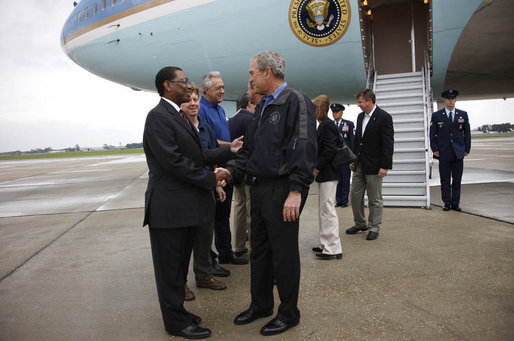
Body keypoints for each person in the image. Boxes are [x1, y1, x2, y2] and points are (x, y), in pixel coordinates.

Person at [227, 51, 317, 336]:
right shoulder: (263, 105)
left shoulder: (296, 101)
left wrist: (296, 190)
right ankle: (261, 304)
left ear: (268, 72)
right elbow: (252, 151)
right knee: (260, 251)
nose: (250, 78)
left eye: (252, 72)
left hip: (283, 190)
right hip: (259, 187)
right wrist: (230, 172)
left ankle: (289, 312)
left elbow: (303, 146)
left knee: (284, 255)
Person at [143, 66, 231, 339]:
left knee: (179, 268)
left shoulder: (178, 115)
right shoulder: (158, 117)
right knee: (170, 272)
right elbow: (173, 162)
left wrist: (227, 154)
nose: (187, 85)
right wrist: (210, 181)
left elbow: (196, 154)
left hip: (183, 210)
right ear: (168, 86)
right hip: (168, 210)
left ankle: (179, 313)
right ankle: (176, 323)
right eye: (183, 82)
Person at [180, 83, 243, 300]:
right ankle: (180, 284)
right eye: (188, 100)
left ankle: (204, 275)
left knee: (205, 236)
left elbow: (207, 156)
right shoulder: (178, 125)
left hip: (206, 186)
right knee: (185, 240)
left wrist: (216, 181)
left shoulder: (205, 127)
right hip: (187, 190)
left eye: (196, 99)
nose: (193, 103)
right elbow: (185, 162)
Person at [198, 71, 248, 266]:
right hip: (214, 167)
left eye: (223, 87)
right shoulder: (201, 109)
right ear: (206, 89)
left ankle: (226, 253)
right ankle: (210, 260)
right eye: (218, 88)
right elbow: (208, 142)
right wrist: (230, 146)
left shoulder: (219, 109)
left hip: (226, 165)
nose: (222, 91)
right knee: (213, 216)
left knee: (223, 214)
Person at [346, 89, 394, 241]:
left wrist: (385, 165)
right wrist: (353, 158)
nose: (358, 105)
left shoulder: (384, 117)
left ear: (369, 101)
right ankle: (360, 223)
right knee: (354, 196)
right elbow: (357, 140)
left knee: (375, 199)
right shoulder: (360, 117)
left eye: (360, 102)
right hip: (360, 164)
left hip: (375, 166)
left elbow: (388, 143)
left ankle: (374, 226)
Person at [312, 95, 343, 259]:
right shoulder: (324, 125)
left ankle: (333, 248)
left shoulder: (327, 126)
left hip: (328, 172)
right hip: (326, 173)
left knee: (328, 209)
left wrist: (317, 167)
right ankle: (325, 243)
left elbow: (330, 149)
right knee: (324, 209)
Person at [429, 89, 471, 212]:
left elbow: (467, 133)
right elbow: (432, 134)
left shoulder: (463, 114)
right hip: (444, 152)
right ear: (445, 100)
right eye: (448, 99)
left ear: (455, 100)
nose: (450, 101)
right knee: (445, 179)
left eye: (452, 98)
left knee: (457, 180)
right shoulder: (437, 115)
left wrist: (467, 148)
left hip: (458, 153)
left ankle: (455, 203)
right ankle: (446, 203)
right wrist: (435, 149)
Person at [229, 91, 254, 258]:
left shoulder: (231, 121)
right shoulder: (252, 120)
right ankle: (253, 245)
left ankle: (238, 246)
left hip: (235, 169)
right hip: (249, 169)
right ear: (249, 104)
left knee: (238, 206)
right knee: (251, 209)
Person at [331, 103, 355, 207]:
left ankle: (344, 200)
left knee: (345, 179)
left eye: (336, 112)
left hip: (345, 157)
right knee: (337, 179)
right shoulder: (330, 125)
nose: (335, 114)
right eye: (333, 112)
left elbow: (352, 141)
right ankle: (338, 200)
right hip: (335, 158)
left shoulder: (348, 124)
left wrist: (353, 157)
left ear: (341, 112)